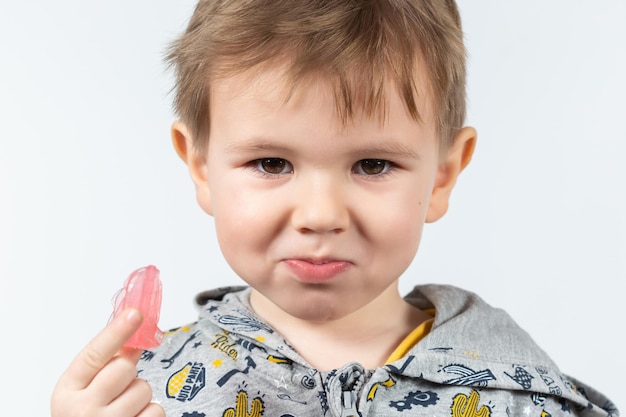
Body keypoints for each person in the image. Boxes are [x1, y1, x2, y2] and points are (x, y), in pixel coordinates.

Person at [51, 1, 618, 416]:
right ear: (200, 166)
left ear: (443, 174)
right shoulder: (141, 395)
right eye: (272, 164)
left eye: (372, 165)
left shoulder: (525, 401)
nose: (320, 215)